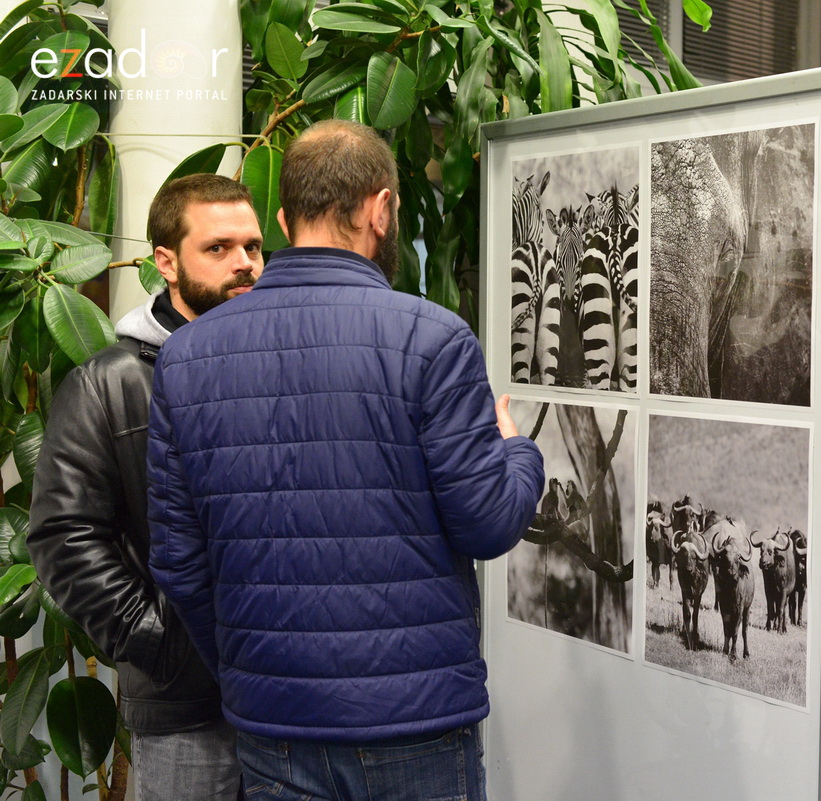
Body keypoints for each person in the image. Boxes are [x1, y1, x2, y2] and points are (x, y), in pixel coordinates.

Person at [145, 119, 545, 801]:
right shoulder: (433, 339)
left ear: (281, 215)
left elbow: (180, 565)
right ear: (380, 208)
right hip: (416, 722)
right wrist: (518, 451)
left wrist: (255, 670)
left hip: (274, 729)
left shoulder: (184, 357)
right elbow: (487, 525)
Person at [28, 174, 264, 801]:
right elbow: (61, 536)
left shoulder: (281, 365)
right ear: (165, 261)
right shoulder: (109, 384)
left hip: (290, 699)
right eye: (218, 248)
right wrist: (159, 640)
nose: (243, 264)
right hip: (184, 713)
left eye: (253, 247)